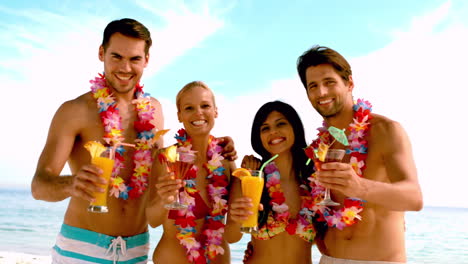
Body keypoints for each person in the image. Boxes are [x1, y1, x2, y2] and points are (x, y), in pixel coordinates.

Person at [31, 19, 236, 264]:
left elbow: (171, 163)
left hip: (137, 251)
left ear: (146, 60)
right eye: (116, 56)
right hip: (82, 249)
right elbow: (39, 186)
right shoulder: (75, 111)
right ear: (101, 53)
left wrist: (214, 145)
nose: (125, 67)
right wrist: (71, 184)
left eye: (135, 59)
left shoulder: (155, 110)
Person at [296, 45, 423, 264]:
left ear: (349, 83)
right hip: (329, 259)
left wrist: (360, 187)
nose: (321, 93)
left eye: (329, 82)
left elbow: (414, 198)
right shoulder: (320, 147)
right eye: (313, 86)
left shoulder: (385, 130)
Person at [146, 81, 234, 264]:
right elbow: (152, 220)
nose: (198, 113)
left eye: (205, 106)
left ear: (216, 111)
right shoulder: (166, 159)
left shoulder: (226, 161)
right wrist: (164, 200)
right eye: (189, 108)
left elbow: (235, 229)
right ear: (179, 115)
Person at [226, 101, 317, 264]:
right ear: (258, 136)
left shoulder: (313, 179)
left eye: (281, 124)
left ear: (295, 127)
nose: (273, 132)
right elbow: (231, 237)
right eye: (265, 128)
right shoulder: (249, 177)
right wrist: (237, 217)